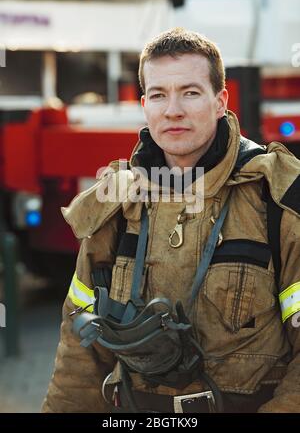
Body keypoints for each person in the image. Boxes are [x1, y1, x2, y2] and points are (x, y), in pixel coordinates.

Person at [42, 28, 300, 413]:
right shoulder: (118, 201)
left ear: (220, 101)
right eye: (159, 95)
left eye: (191, 92)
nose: (173, 110)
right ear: (145, 105)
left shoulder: (276, 198)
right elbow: (81, 350)